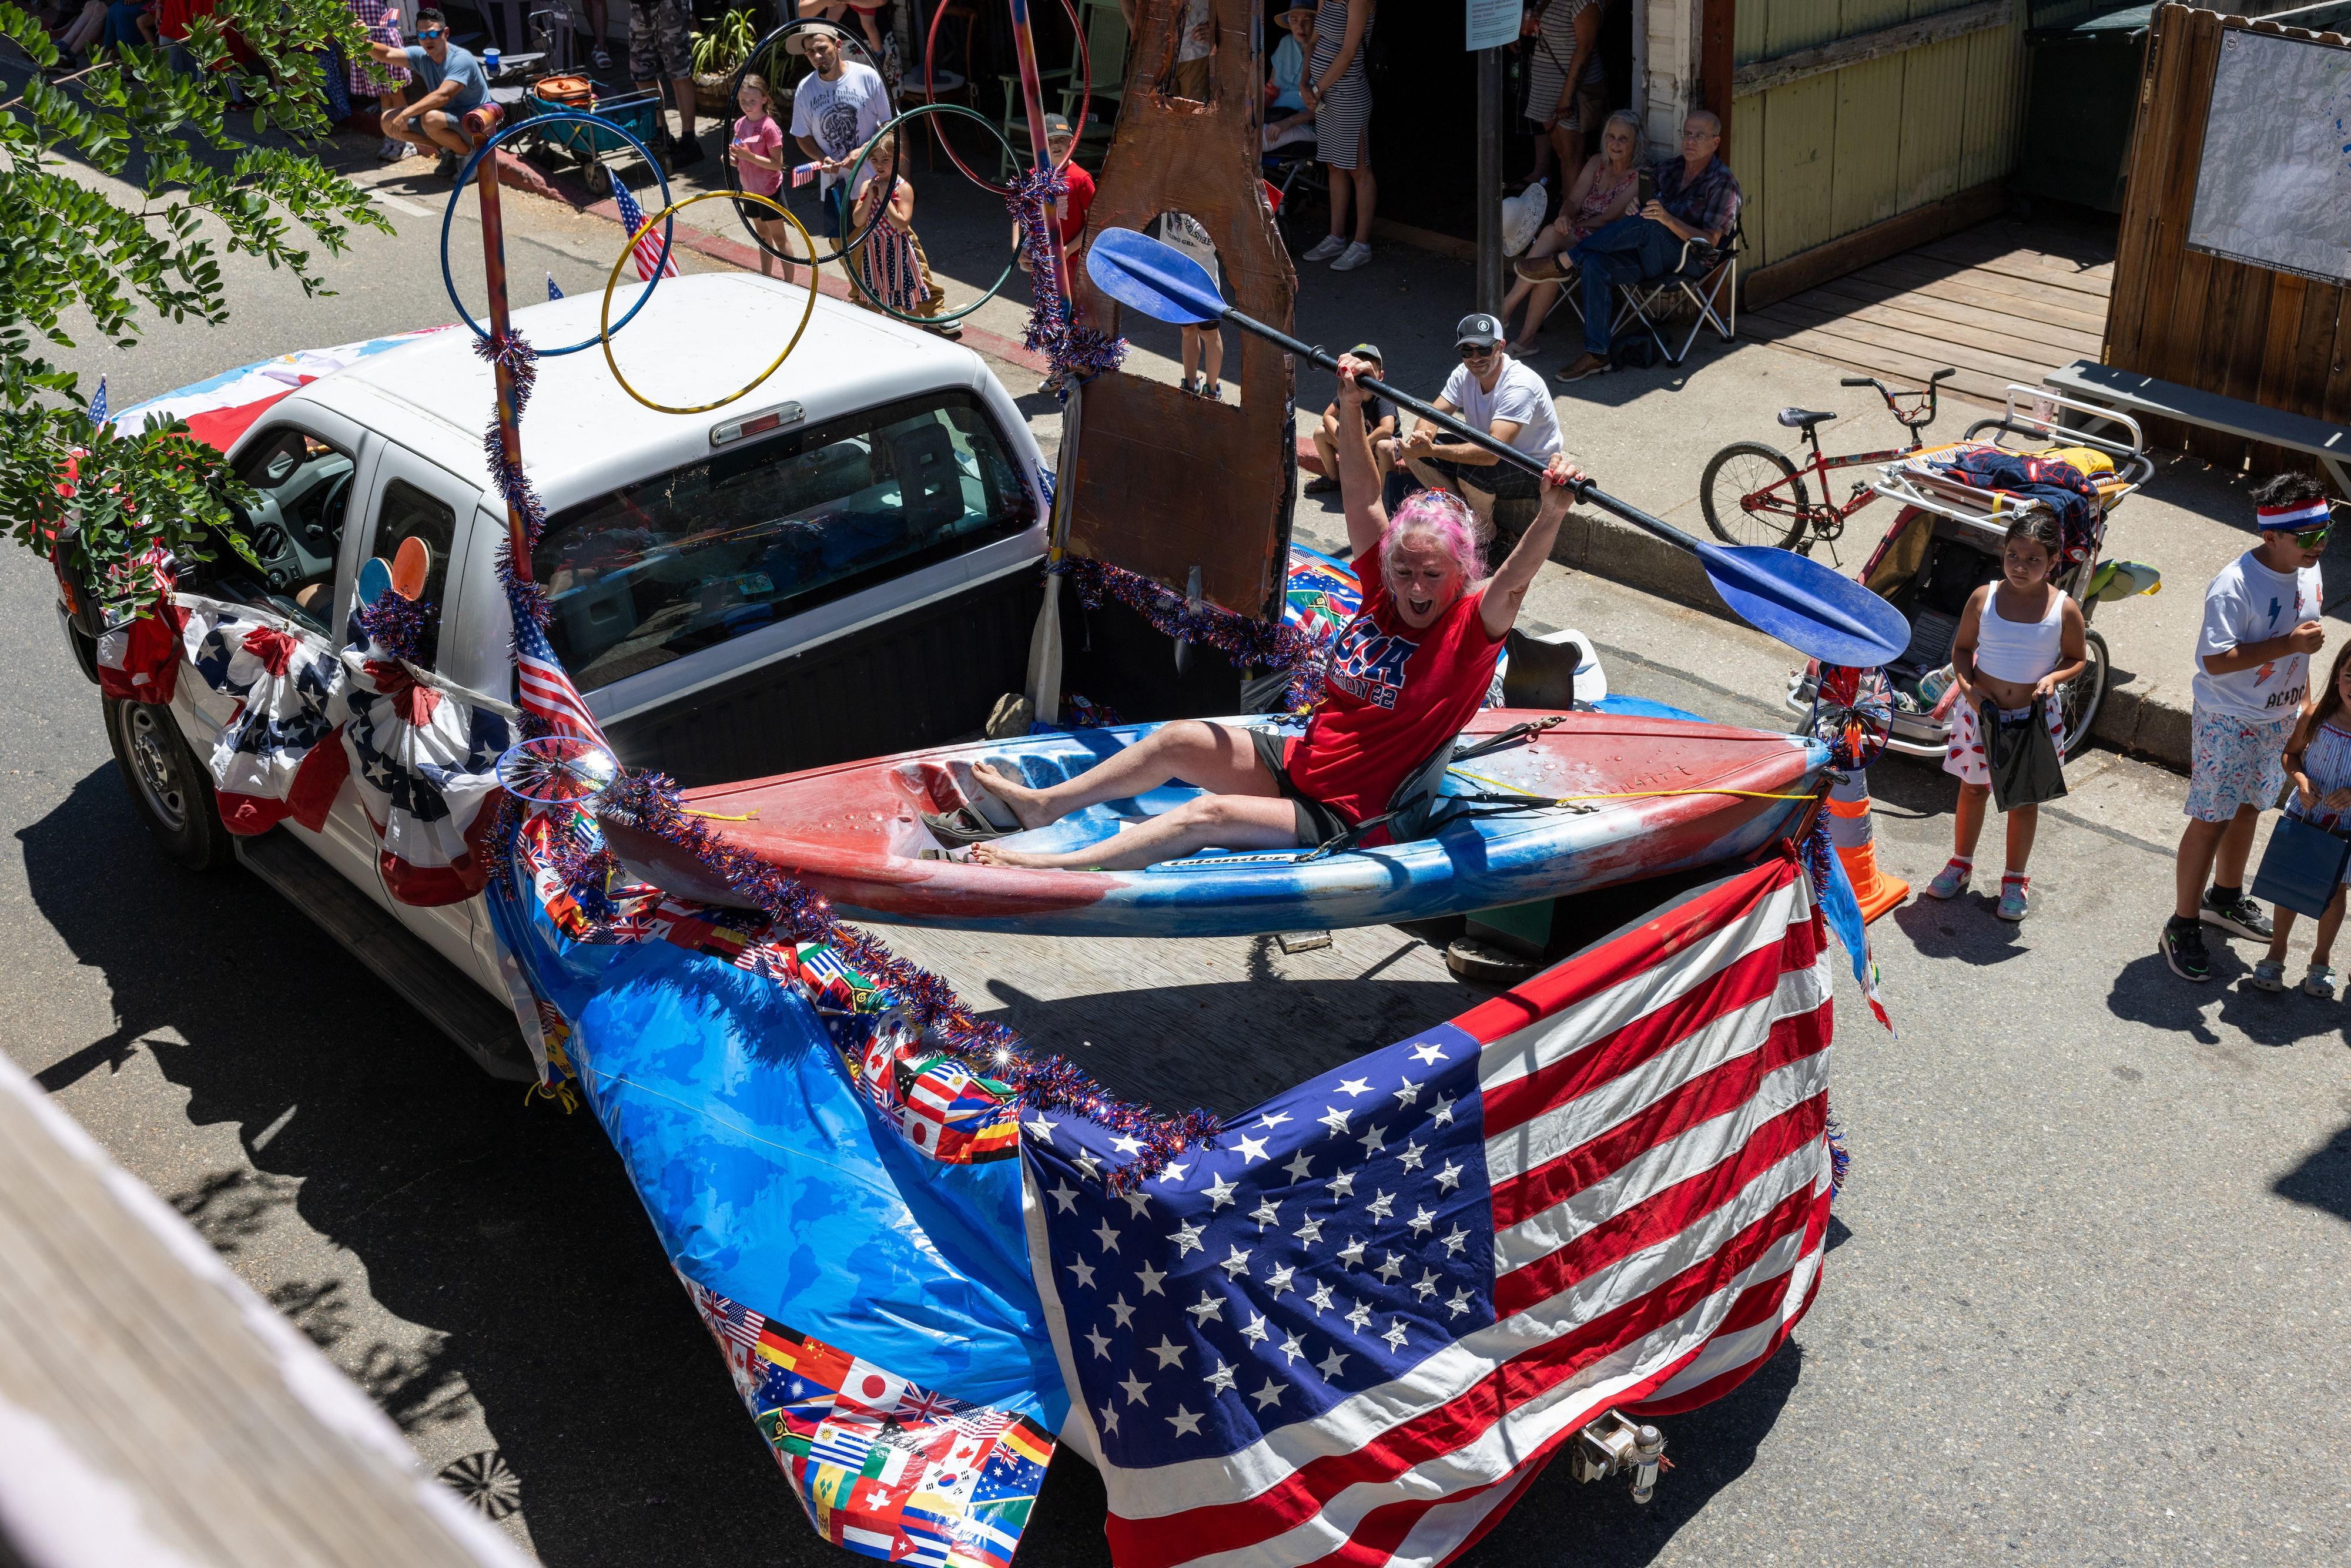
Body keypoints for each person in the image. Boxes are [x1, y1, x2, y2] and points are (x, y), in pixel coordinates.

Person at [965, 354, 1583, 871]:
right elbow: (1364, 497)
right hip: (1299, 763)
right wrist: (1349, 397)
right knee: (1180, 738)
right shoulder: (1383, 589)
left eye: (1432, 575)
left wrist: (1552, 509)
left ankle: (1051, 867)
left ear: (1460, 574)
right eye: (1404, 571)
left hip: (1350, 812)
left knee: (1207, 814)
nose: (1416, 588)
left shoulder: (1470, 629)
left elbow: (1516, 577)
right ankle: (1044, 806)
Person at [2162, 473, 2333, 982]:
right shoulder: (2235, 584)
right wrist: (2290, 648)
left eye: (2325, 529)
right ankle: (2182, 923)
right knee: (2212, 816)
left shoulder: (2309, 568)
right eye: (2306, 535)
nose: (2319, 543)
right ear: (2271, 536)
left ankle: (2226, 899)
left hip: (2278, 718)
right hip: (2228, 718)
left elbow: (2298, 648)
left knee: (2250, 809)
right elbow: (2215, 660)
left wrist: (2303, 704)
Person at [1921, 514, 2087, 922]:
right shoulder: (1984, 598)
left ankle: (2015, 879)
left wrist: (2053, 677)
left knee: (2023, 801)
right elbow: (1961, 651)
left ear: (2053, 563)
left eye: (2033, 560)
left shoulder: (2064, 610)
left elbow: (2077, 658)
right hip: (1982, 715)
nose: (2020, 565)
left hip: (2033, 720)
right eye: (2013, 555)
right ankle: (1960, 863)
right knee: (1972, 790)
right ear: (2003, 553)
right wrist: (1969, 690)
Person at [1557, 109, 1740, 383]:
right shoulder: (1668, 169)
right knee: (1597, 264)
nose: (1690, 141)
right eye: (1687, 134)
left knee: (1651, 224)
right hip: (1649, 255)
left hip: (1689, 260)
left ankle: (1565, 260)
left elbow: (1710, 241)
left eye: (1699, 136)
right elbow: (1644, 203)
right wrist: (1637, 206)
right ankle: (1597, 354)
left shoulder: (1722, 183)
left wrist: (1667, 220)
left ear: (1715, 142)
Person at [1397, 312, 1563, 537]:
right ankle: (1458, 517)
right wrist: (1422, 437)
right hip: (1489, 450)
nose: (1475, 358)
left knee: (1472, 472)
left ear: (1501, 346)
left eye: (1484, 349)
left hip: (1531, 467)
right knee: (1413, 451)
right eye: (1467, 351)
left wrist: (1435, 450)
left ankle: (1486, 536)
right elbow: (1432, 413)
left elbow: (1492, 453)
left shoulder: (1520, 385)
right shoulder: (1463, 374)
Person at [2249, 640, 2351, 997]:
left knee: (2336, 892)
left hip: (2346, 829)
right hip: (2306, 814)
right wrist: (2302, 780)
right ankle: (2277, 950)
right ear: (2338, 675)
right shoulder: (2315, 716)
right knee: (2290, 884)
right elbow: (2291, 756)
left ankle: (2321, 958)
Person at [1499, 109, 1639, 358]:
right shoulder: (1597, 162)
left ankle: (1507, 305)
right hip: (1576, 234)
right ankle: (1526, 340)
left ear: (1636, 142)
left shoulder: (1636, 175)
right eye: (1612, 137)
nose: (1615, 144)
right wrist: (1565, 214)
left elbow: (1609, 218)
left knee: (1552, 236)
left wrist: (1570, 227)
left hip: (1604, 241)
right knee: (1549, 268)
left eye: (1623, 139)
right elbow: (1573, 199)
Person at [786, 22, 891, 267]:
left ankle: (914, 304)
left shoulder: (866, 76)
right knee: (847, 255)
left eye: (822, 48)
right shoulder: (806, 89)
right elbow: (802, 136)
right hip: (837, 187)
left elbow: (890, 123)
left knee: (889, 248)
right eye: (811, 52)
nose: (817, 56)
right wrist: (822, 158)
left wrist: (865, 149)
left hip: (874, 180)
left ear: (838, 45)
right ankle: (861, 303)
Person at [846, 129, 959, 337]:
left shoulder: (903, 188)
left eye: (885, 160)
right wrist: (870, 196)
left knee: (908, 303)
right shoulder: (866, 186)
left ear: (897, 158)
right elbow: (858, 220)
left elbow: (901, 224)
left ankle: (916, 338)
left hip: (898, 252)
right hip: (875, 251)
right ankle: (897, 339)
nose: (879, 165)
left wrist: (885, 198)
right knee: (888, 303)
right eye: (874, 160)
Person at [1296, 0, 1375, 272]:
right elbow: (1314, 40)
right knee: (1333, 166)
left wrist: (1315, 89)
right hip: (1323, 96)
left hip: (1349, 94)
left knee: (1358, 169)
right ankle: (1336, 237)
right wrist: (1304, 82)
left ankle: (1362, 244)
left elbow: (1349, 52)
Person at [368, 8, 489, 180]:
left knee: (430, 118)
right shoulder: (422, 56)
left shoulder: (461, 59)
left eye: (433, 34)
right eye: (422, 35)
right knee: (388, 122)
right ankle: (448, 151)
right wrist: (362, 41)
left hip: (477, 126)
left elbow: (443, 96)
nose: (428, 40)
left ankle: (468, 155)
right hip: (449, 119)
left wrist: (405, 113)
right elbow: (387, 53)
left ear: (445, 33)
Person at [1520, 0, 1606, 187]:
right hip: (1547, 86)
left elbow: (1585, 48)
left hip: (1571, 88)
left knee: (1573, 157)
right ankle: (1567, 208)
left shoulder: (1584, 2)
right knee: (1563, 155)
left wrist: (1566, 97)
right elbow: (1533, 31)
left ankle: (1572, 213)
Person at [724, 73, 791, 280]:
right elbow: (739, 160)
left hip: (769, 190)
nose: (747, 105)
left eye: (753, 101)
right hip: (750, 189)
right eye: (743, 101)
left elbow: (777, 165)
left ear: (764, 99)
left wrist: (749, 156)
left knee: (779, 237)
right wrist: (732, 158)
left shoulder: (769, 127)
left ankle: (789, 281)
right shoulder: (740, 125)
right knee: (762, 235)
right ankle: (767, 275)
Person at [1305, 342, 1394, 496]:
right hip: (1355, 442)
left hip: (1374, 443)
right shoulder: (1347, 392)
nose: (1361, 376)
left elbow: (1387, 429)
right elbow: (1328, 416)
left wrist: (1360, 444)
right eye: (1356, 370)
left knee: (1385, 446)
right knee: (1320, 432)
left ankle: (1382, 494)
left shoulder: (1382, 397)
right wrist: (1342, 439)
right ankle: (1334, 480)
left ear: (1380, 376)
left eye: (1367, 370)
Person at [628, 0, 700, 164]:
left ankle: (689, 142)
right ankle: (661, 137)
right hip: (640, 8)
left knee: (679, 72)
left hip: (671, 6)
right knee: (642, 71)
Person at [346, 1, 410, 163]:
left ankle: (406, 139)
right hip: (361, 38)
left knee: (395, 90)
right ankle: (391, 136)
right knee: (383, 94)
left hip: (382, 36)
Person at [1263, 6, 1316, 151]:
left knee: (1256, 139)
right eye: (1295, 20)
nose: (1300, 26)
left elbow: (1324, 109)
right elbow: (1272, 84)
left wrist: (1288, 122)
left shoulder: (1325, 53)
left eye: (1306, 20)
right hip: (1275, 115)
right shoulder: (1286, 42)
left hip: (1306, 124)